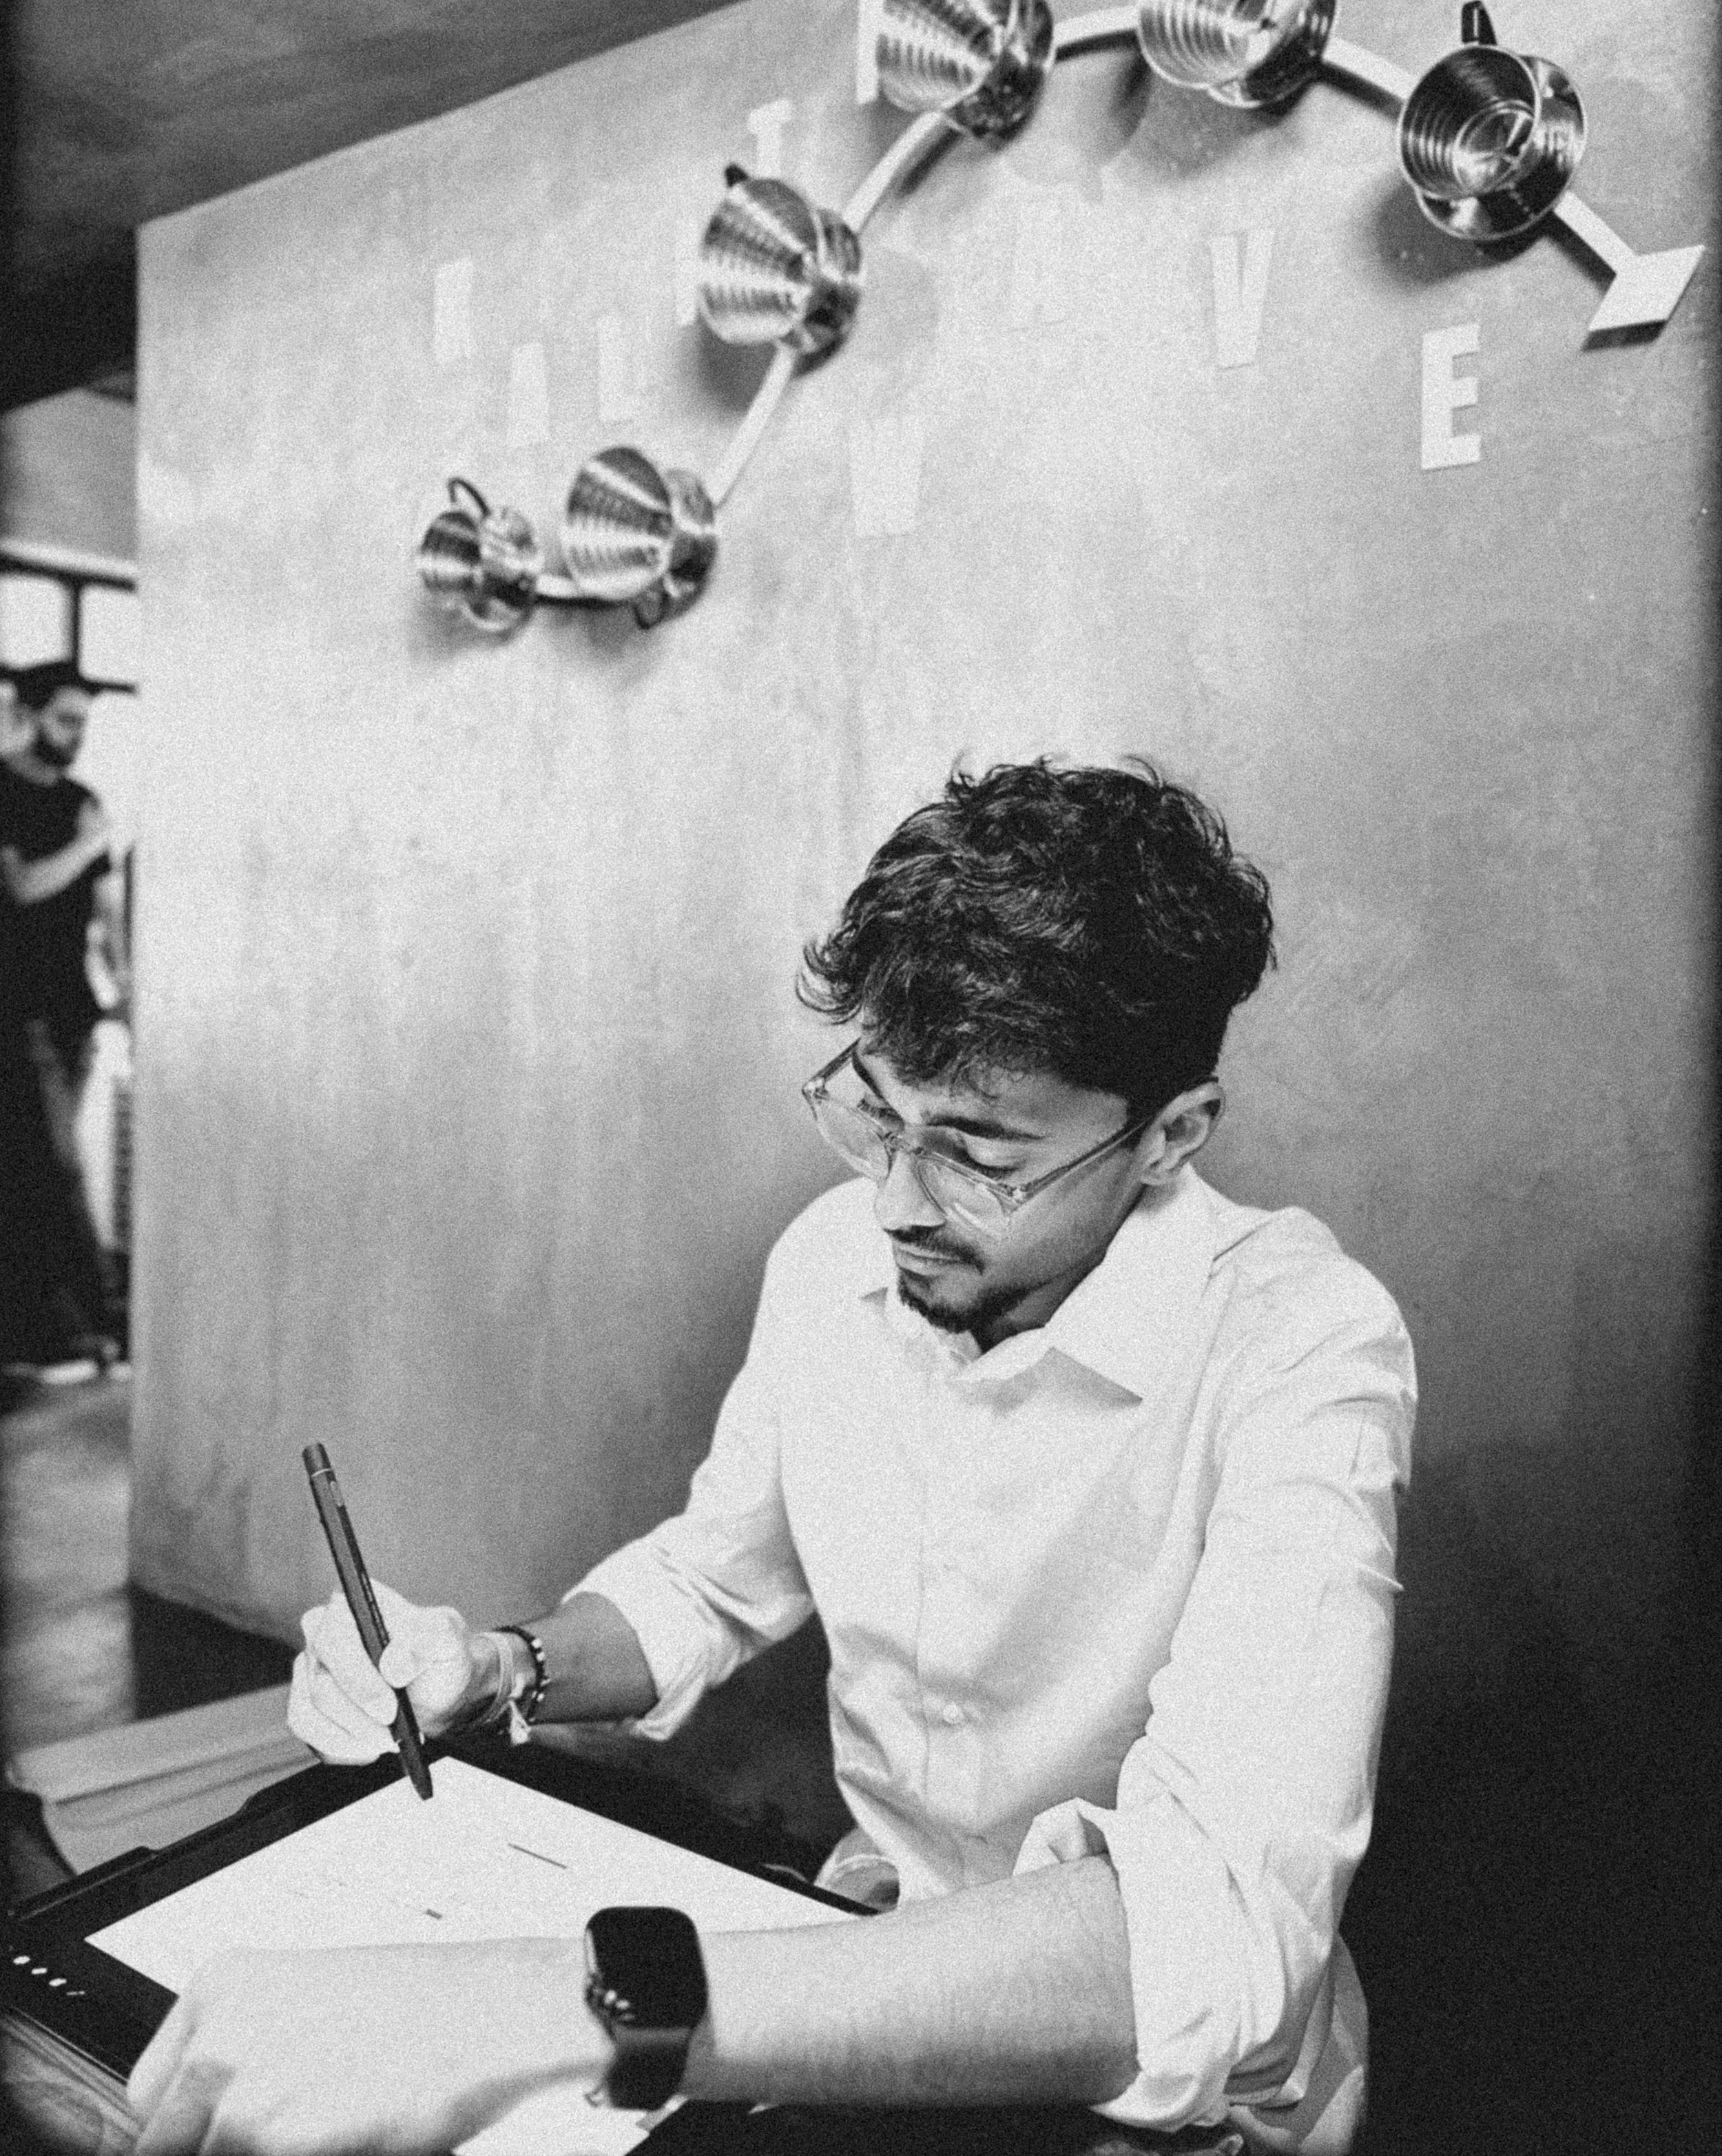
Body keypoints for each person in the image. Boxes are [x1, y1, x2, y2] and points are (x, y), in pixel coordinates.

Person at [127, 758, 1415, 2155]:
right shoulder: (829, 1263)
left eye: (977, 1153)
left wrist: (544, 2004)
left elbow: (1208, 1937)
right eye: (874, 1112)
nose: (892, 1196)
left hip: (1168, 2098)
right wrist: (500, 1667)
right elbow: (710, 1578)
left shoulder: (1302, 1343)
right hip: (855, 1951)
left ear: (1167, 1136)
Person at [0, 660, 129, 1383]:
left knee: (43, 1169)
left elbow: (109, 910)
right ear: (31, 712)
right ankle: (100, 1319)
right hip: (17, 1009)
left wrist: (129, 984)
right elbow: (22, 887)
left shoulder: (85, 798)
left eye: (85, 722)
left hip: (73, 1008)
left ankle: (52, 1326)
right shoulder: (5, 789)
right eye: (66, 721)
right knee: (54, 1165)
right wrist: (86, 843)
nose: (77, 736)